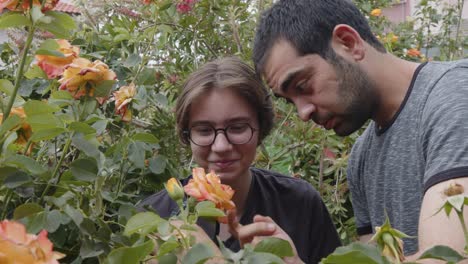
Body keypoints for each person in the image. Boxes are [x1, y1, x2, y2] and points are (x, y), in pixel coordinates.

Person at [249, 0, 468, 259]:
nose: (302, 113)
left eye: (303, 85)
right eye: (289, 100)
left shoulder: (455, 96)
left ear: (348, 43)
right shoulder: (361, 159)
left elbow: (447, 258)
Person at [139, 57, 341, 263]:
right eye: (204, 130)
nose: (221, 146)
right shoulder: (153, 216)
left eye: (237, 128)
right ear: (187, 134)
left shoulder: (300, 203)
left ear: (260, 128)